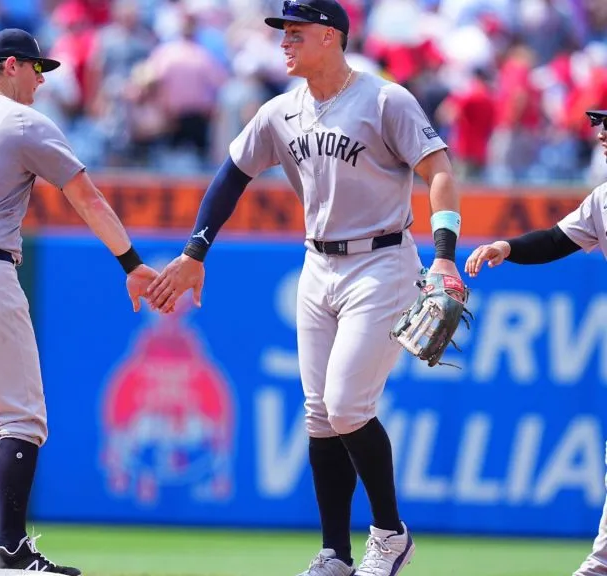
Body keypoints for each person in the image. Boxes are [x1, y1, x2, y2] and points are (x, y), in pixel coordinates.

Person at [146, 1, 465, 575]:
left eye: (295, 33)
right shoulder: (280, 111)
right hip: (317, 265)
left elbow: (438, 169)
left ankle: (390, 534)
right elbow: (231, 175)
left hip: (383, 260)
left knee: (346, 405)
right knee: (319, 415)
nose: (285, 43)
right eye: (283, 33)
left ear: (329, 36)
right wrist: (195, 251)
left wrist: (444, 257)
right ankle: (335, 554)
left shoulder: (385, 99)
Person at [0, 27, 158, 575]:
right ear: (12, 65)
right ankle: (14, 553)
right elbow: (86, 197)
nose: (42, 83)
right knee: (21, 420)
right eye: (38, 70)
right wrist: (132, 264)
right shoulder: (21, 122)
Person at [465, 108, 607, 576]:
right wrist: (509, 248)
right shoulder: (604, 200)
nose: (601, 133)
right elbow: (556, 240)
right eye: (600, 124)